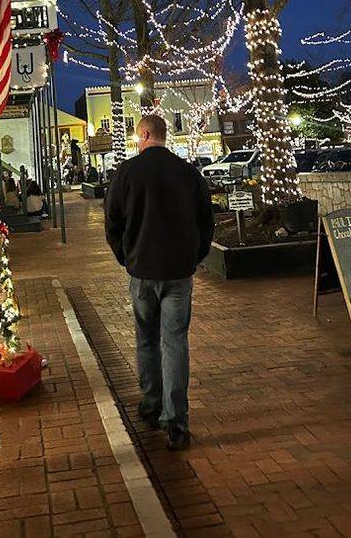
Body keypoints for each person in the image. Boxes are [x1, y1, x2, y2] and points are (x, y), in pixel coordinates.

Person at [104, 113, 214, 451]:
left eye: (138, 137)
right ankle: (176, 419)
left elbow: (113, 222)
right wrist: (193, 257)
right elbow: (206, 222)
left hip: (142, 271)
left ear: (145, 134)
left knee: (146, 339)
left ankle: (151, 402)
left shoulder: (126, 173)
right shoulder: (188, 174)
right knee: (175, 343)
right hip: (178, 273)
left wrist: (127, 256)